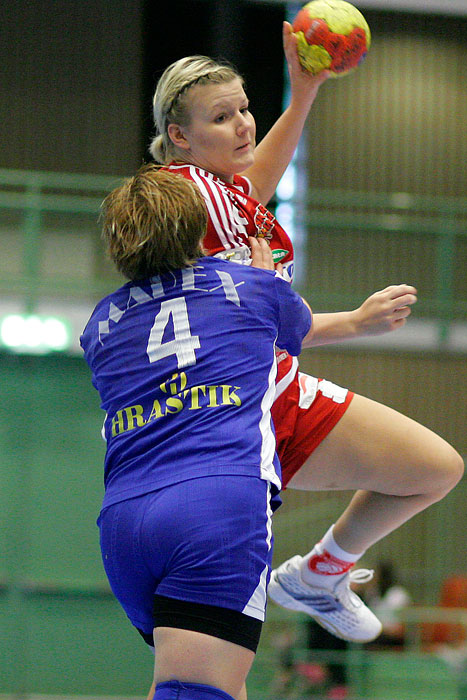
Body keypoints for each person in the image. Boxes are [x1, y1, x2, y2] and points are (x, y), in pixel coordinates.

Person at [148, 20, 464, 645]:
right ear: (178, 137)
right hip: (231, 413)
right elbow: (251, 187)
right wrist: (353, 321)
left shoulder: (222, 197)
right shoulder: (185, 190)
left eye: (244, 109)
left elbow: (253, 188)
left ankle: (320, 573)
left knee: (434, 468)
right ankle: (314, 576)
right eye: (221, 118)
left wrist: (304, 92)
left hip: (276, 386)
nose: (243, 125)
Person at [80, 165, 313, 700]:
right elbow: (294, 332)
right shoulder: (252, 287)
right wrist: (267, 275)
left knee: (197, 684)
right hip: (216, 505)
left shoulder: (99, 324)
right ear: (196, 227)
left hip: (124, 525)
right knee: (198, 690)